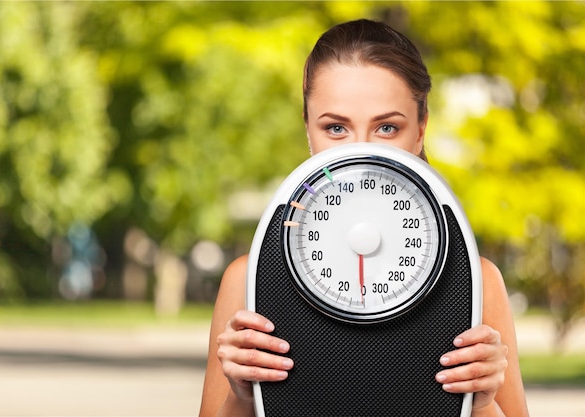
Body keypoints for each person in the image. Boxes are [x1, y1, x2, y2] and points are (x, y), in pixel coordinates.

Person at [199, 19, 529, 417]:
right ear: (308, 130)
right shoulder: (249, 279)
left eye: (387, 127)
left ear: (421, 129)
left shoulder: (475, 280)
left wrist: (481, 403)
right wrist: (242, 397)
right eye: (336, 128)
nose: (362, 154)